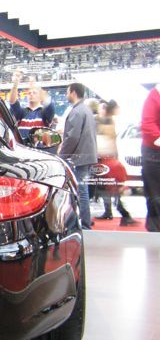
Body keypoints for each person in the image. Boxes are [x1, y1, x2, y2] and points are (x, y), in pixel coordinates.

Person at [58, 82, 98, 230]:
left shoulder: (77, 112)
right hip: (86, 155)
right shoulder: (86, 110)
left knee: (81, 191)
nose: (66, 95)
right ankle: (85, 222)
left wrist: (62, 155)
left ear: (73, 93)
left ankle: (85, 224)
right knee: (83, 190)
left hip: (78, 157)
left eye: (67, 92)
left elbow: (72, 137)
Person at [94, 99, 137, 226]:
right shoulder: (108, 122)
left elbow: (106, 144)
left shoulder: (104, 123)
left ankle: (123, 214)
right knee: (109, 189)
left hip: (107, 161)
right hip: (109, 160)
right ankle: (119, 214)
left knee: (110, 189)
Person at [8, 71, 56, 141]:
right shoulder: (22, 112)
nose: (31, 94)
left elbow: (50, 106)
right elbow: (12, 102)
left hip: (38, 147)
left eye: (34, 93)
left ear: (40, 96)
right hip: (22, 146)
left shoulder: (44, 113)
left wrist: (37, 87)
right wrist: (15, 84)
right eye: (29, 93)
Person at [140, 84, 160, 232]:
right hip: (154, 153)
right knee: (155, 197)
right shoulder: (155, 95)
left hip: (153, 152)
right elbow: (148, 125)